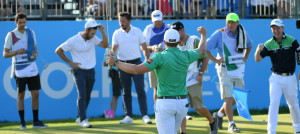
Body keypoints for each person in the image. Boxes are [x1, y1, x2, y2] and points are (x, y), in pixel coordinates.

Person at [106, 27, 207, 134]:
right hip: (182, 104)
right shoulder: (186, 55)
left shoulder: (159, 57)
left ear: (164, 42)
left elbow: (136, 70)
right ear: (178, 42)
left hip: (166, 104)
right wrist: (204, 35)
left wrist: (116, 63)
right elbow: (201, 50)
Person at [55, 19, 108, 128]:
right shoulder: (73, 40)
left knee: (87, 96)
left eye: (95, 33)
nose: (94, 35)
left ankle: (80, 117)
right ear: (86, 30)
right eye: (92, 33)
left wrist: (102, 32)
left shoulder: (93, 38)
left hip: (91, 70)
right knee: (82, 94)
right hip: (78, 71)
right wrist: (70, 62)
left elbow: (105, 45)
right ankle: (83, 119)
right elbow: (58, 50)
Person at [206, 13, 253, 133]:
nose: (230, 24)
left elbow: (249, 44)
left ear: (238, 23)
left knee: (238, 96)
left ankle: (219, 115)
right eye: (228, 22)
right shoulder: (219, 33)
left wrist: (245, 57)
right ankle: (231, 124)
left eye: (233, 22)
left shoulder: (242, 32)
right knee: (228, 97)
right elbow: (206, 48)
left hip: (238, 68)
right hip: (224, 68)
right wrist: (216, 60)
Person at [170, 21, 218, 134]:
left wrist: (201, 73)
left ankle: (212, 121)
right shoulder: (174, 43)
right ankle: (183, 132)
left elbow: (205, 57)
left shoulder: (194, 40)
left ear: (182, 30)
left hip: (194, 77)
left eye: (177, 31)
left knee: (197, 107)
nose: (175, 34)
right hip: (180, 79)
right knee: (181, 106)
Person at [3, 12, 48, 129]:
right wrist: (17, 52)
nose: (22, 24)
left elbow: (35, 50)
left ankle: (36, 121)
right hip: (19, 68)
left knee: (36, 93)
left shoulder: (31, 32)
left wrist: (34, 54)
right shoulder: (11, 35)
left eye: (24, 22)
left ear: (26, 21)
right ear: (16, 22)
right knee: (21, 95)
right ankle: (22, 122)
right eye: (20, 23)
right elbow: (5, 54)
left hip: (32, 67)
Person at [254, 19, 300, 134]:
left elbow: (299, 53)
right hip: (276, 78)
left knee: (293, 104)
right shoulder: (269, 43)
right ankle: (271, 131)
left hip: (290, 77)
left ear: (283, 28)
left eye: (278, 28)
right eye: (273, 28)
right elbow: (258, 59)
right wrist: (257, 50)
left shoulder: (292, 41)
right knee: (273, 104)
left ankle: (298, 129)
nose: (276, 30)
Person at [111, 12, 151, 124]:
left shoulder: (137, 31)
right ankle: (128, 116)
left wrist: (146, 61)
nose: (121, 23)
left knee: (140, 90)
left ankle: (145, 115)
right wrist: (111, 53)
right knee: (125, 91)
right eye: (120, 21)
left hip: (137, 63)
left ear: (129, 21)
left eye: (123, 21)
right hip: (122, 64)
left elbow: (144, 48)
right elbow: (114, 49)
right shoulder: (116, 33)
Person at [143, 10, 169, 102]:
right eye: (155, 20)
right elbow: (143, 46)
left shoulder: (169, 28)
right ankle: (158, 111)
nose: (157, 22)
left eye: (159, 20)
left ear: (163, 19)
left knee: (169, 86)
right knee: (156, 88)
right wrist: (152, 48)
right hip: (153, 61)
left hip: (167, 61)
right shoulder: (148, 29)